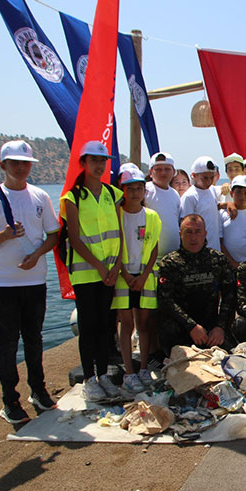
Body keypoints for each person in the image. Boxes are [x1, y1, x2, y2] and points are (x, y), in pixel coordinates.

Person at [0, 140, 60, 423]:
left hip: (35, 281)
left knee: (34, 339)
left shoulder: (39, 197)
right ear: (3, 166)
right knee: (8, 342)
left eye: (25, 163)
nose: (21, 168)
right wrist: (5, 235)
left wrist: (36, 255)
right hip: (3, 283)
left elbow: (53, 235)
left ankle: (38, 390)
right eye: (15, 163)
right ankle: (10, 400)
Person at [60, 141, 123, 402]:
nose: (99, 165)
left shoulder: (112, 194)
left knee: (106, 326)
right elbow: (74, 238)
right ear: (83, 163)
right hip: (87, 273)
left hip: (110, 272)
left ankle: (103, 375)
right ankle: (89, 378)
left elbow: (118, 232)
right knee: (89, 326)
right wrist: (100, 266)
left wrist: (116, 265)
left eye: (103, 160)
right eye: (94, 160)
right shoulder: (72, 197)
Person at [112, 168, 161, 394]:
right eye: (130, 188)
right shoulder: (116, 215)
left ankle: (143, 368)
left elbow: (154, 249)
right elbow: (114, 246)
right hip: (123, 278)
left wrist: (143, 276)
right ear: (123, 190)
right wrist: (125, 273)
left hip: (145, 277)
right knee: (126, 324)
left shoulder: (151, 216)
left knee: (143, 324)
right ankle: (129, 371)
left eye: (139, 188)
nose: (134, 192)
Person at [157, 214, 235, 354]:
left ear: (205, 233)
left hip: (211, 329)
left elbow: (229, 295)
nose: (193, 237)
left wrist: (220, 327)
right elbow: (165, 300)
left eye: (198, 232)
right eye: (188, 232)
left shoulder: (218, 260)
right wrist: (191, 326)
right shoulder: (170, 263)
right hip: (182, 327)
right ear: (180, 234)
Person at [180, 156, 224, 251]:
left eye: (211, 177)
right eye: (205, 178)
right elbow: (186, 226)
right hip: (199, 252)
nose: (209, 181)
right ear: (194, 176)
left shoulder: (211, 190)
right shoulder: (190, 196)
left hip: (214, 249)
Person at [145, 152, 180, 258]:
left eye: (167, 169)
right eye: (158, 169)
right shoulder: (145, 190)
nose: (163, 173)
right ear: (150, 172)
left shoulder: (175, 194)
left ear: (173, 172)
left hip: (173, 256)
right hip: (150, 257)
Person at [221, 175, 246, 269]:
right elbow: (220, 241)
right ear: (232, 193)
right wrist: (232, 263)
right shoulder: (222, 214)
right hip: (227, 265)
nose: (243, 196)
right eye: (238, 192)